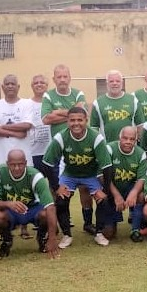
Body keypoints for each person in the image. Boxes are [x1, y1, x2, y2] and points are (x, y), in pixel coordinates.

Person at [41, 106, 111, 249]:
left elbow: (107, 167)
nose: (76, 123)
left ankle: (99, 233)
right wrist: (57, 187)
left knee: (103, 200)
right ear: (67, 121)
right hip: (70, 175)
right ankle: (67, 235)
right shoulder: (61, 137)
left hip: (90, 175)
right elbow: (47, 164)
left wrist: (106, 190)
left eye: (80, 120)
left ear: (86, 120)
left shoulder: (96, 137)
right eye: (72, 120)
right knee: (60, 200)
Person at [41, 64, 93, 233]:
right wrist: (72, 112)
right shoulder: (48, 95)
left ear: (70, 77)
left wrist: (59, 112)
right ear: (54, 79)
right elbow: (46, 119)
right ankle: (61, 223)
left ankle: (87, 223)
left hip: (79, 147)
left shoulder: (78, 93)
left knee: (84, 187)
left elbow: (83, 113)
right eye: (59, 77)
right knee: (58, 189)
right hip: (59, 149)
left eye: (65, 76)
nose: (62, 80)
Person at [0, 149, 60, 258]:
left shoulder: (35, 176)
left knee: (46, 215)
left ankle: (42, 238)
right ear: (7, 164)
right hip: (11, 211)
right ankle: (7, 241)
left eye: (20, 164)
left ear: (25, 163)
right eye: (13, 165)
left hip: (33, 209)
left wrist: (52, 238)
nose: (17, 168)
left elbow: (51, 207)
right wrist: (9, 204)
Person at [103, 126, 147, 243]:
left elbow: (141, 179)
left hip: (129, 187)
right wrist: (117, 195)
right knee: (108, 234)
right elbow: (102, 176)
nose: (128, 142)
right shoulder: (109, 149)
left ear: (136, 140)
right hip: (111, 188)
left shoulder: (141, 153)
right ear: (119, 138)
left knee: (141, 195)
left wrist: (133, 193)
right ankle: (110, 222)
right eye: (125, 138)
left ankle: (136, 229)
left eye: (132, 139)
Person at [0, 74, 34, 167]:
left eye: (13, 84)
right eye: (7, 84)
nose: (10, 86)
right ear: (2, 87)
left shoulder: (27, 104)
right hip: (1, 160)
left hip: (24, 161)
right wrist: (16, 134)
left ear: (18, 87)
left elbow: (26, 125)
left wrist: (2, 127)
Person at [27, 74, 52, 238]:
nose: (39, 85)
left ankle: (53, 216)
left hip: (50, 151)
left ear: (47, 85)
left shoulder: (50, 102)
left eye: (42, 82)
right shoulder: (26, 104)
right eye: (36, 82)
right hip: (32, 151)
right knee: (32, 187)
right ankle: (32, 220)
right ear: (31, 85)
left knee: (53, 187)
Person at [91, 69, 144, 142]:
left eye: (117, 81)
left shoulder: (133, 100)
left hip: (129, 147)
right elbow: (94, 129)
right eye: (111, 81)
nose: (114, 83)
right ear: (107, 83)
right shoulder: (97, 103)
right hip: (107, 147)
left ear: (122, 83)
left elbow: (140, 126)